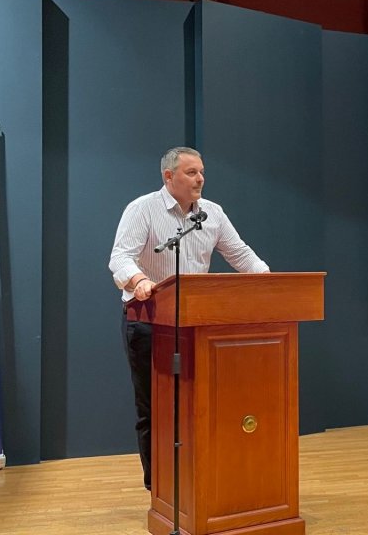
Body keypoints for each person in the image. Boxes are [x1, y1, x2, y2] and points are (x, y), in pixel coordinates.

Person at [108, 146, 269, 490]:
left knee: (197, 404)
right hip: (150, 322)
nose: (200, 179)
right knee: (154, 407)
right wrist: (139, 280)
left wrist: (267, 280)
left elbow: (241, 254)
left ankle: (196, 480)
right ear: (169, 176)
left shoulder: (212, 213)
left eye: (202, 172)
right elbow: (120, 258)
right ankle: (161, 488)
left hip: (197, 323)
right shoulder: (143, 209)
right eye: (191, 172)